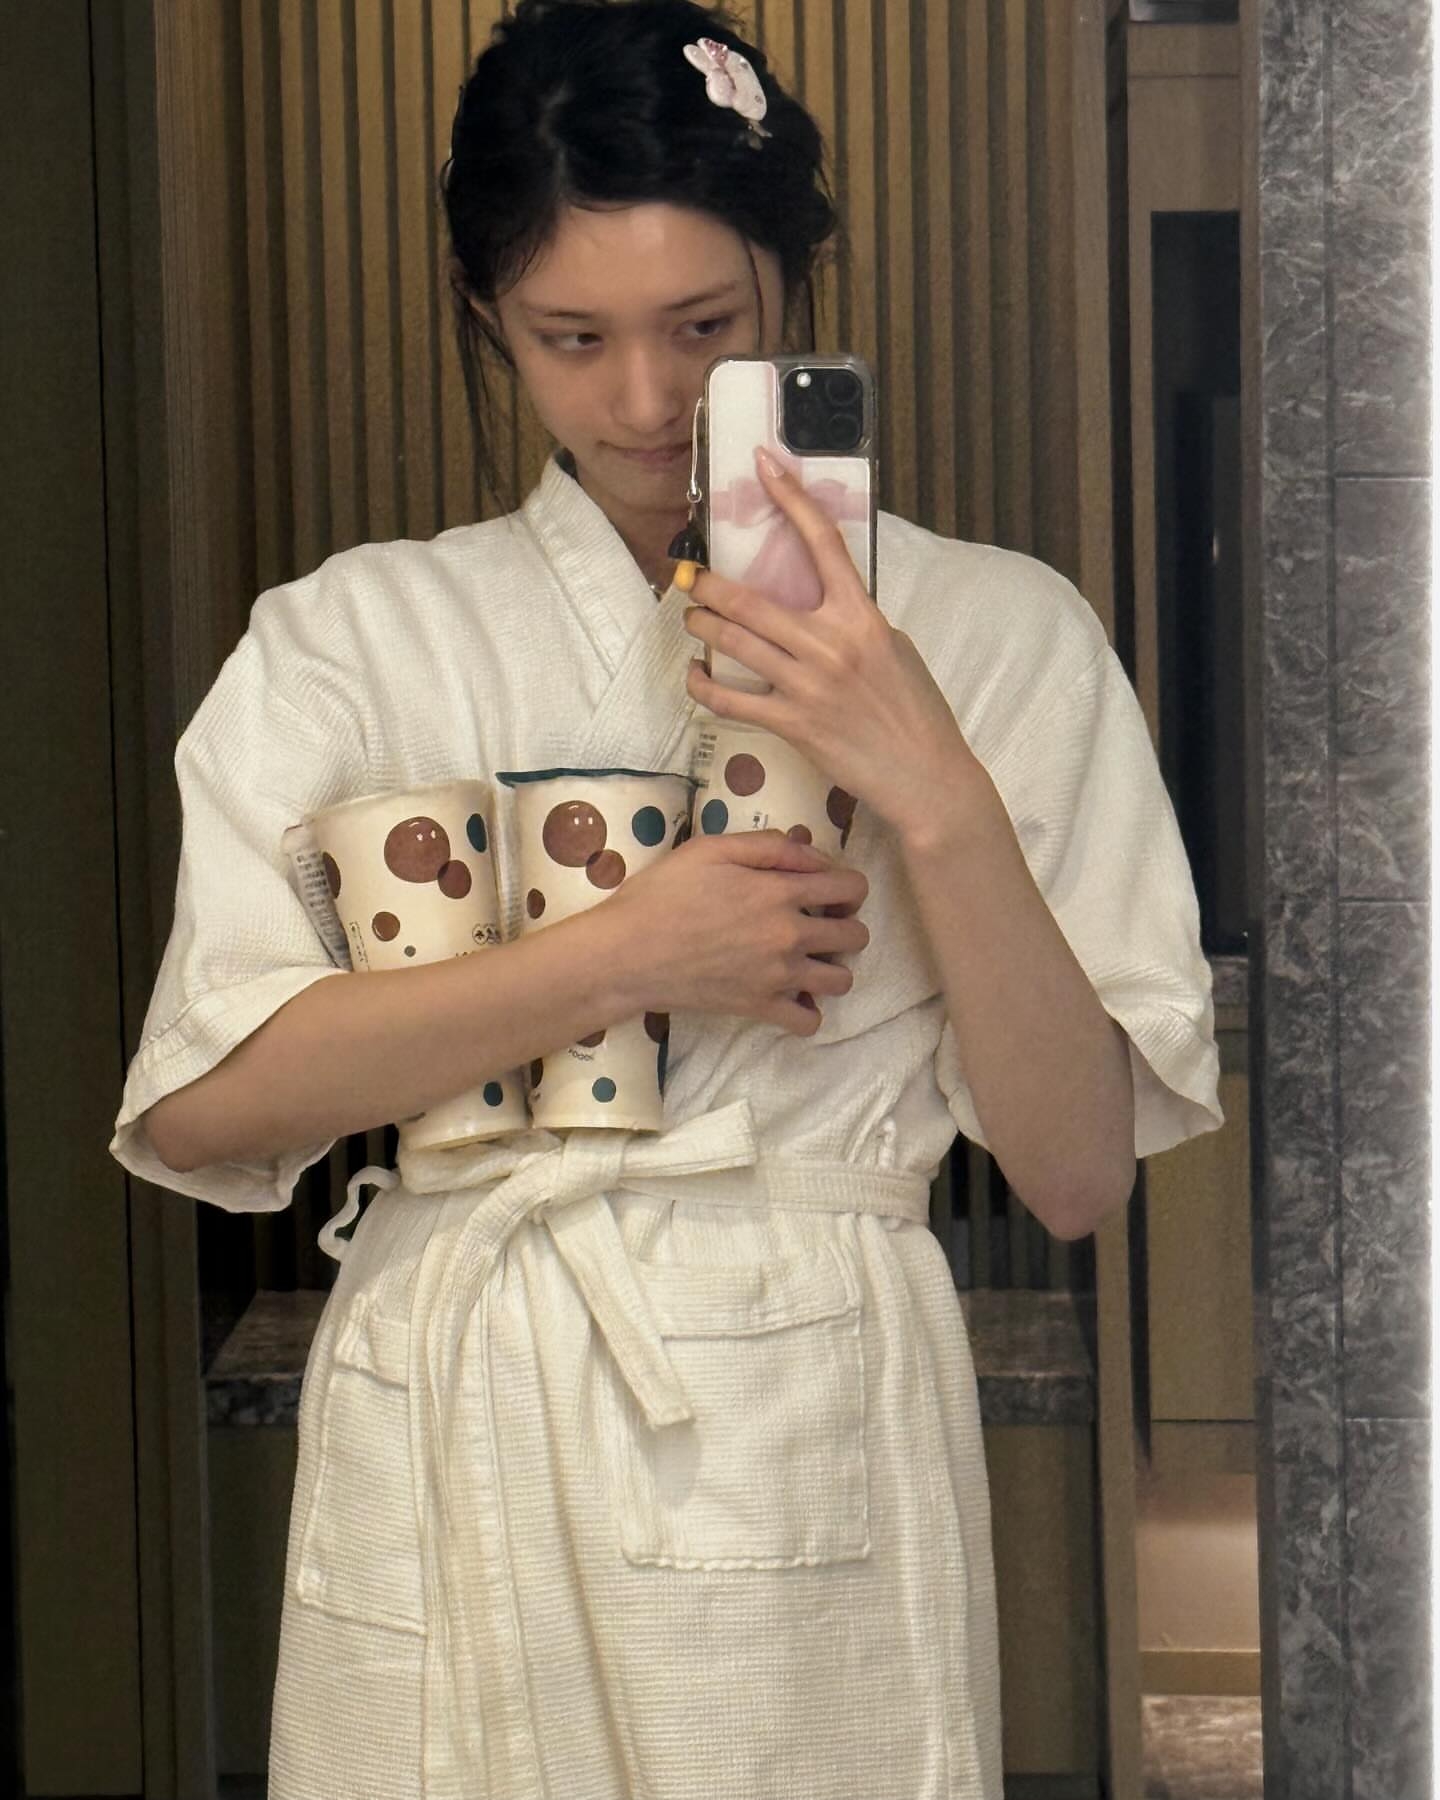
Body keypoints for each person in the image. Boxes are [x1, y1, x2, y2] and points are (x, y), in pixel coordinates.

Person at [110, 2, 1225, 1795]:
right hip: (460, 1386)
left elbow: (1078, 1171)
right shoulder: (350, 637)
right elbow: (203, 1107)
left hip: (801, 1419)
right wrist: (623, 954)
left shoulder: (1001, 632)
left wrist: (930, 784)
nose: (642, 402)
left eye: (704, 328)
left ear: (796, 278)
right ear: (485, 312)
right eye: (572, 338)